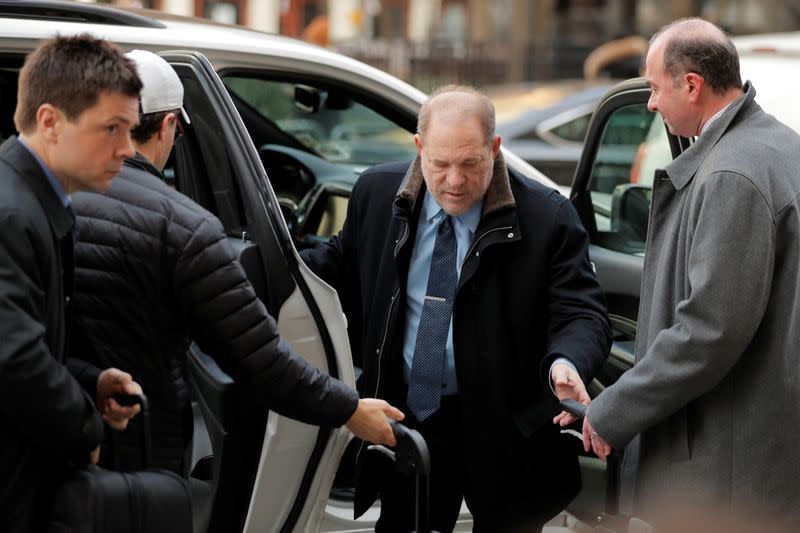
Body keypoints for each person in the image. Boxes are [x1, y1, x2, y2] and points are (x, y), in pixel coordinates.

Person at [71, 49, 403, 475]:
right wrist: (350, 409)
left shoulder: (51, 194)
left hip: (54, 427)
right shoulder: (184, 226)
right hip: (142, 447)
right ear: (171, 124)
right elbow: (261, 362)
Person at [302, 85, 611, 532]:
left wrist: (567, 361)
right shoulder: (376, 194)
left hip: (505, 428)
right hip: (409, 417)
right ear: (419, 148)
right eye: (440, 164)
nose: (454, 181)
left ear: (495, 148)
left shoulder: (548, 217)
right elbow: (334, 269)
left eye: (471, 163)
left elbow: (582, 311)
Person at [579, 18, 800, 526]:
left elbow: (708, 331)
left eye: (655, 88)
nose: (651, 102)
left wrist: (612, 410)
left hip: (726, 468)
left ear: (692, 85)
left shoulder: (731, 174)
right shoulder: (775, 144)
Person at [0, 34, 144, 533]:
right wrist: (84, 428)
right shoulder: (11, 213)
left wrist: (90, 381)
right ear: (49, 122)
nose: (128, 149)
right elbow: (14, 359)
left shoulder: (33, 199)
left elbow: (31, 339)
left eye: (132, 130)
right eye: (112, 128)